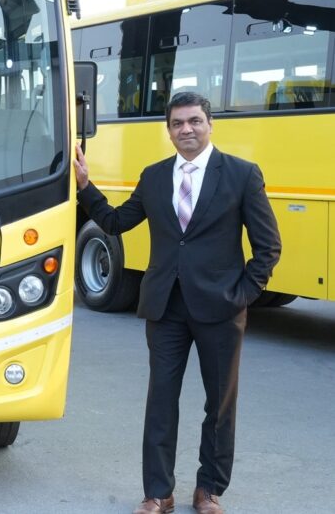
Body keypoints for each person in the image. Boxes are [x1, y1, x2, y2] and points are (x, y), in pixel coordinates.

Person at [73, 92, 280, 514]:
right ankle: (158, 493)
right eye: (178, 123)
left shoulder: (241, 174)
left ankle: (209, 490)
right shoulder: (154, 176)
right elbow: (115, 222)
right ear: (168, 130)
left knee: (219, 403)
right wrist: (85, 186)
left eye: (194, 121)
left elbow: (268, 247)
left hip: (220, 310)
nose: (186, 129)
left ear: (210, 124)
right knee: (160, 401)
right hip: (165, 307)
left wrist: (241, 295)